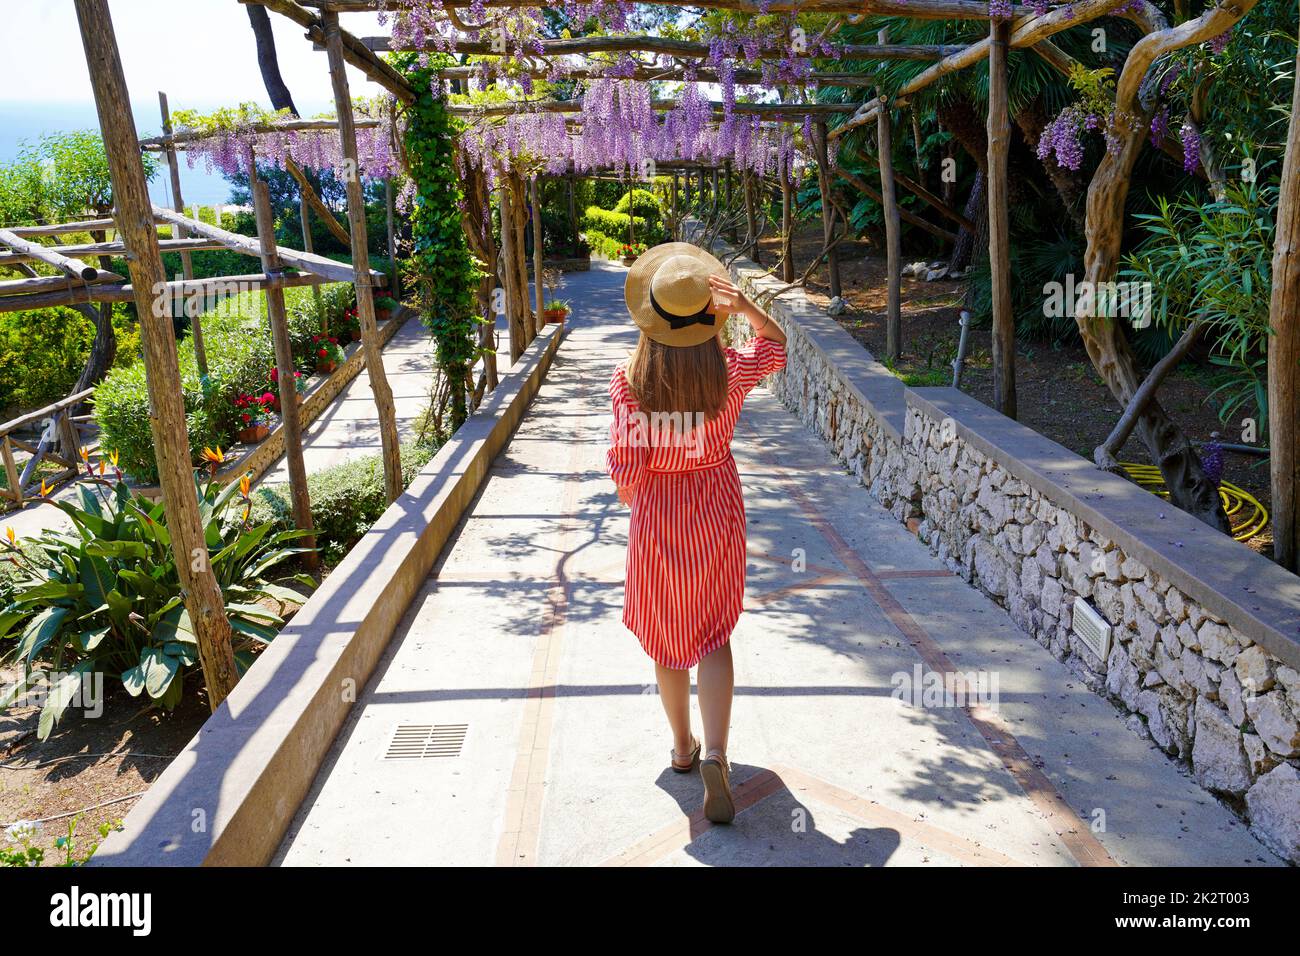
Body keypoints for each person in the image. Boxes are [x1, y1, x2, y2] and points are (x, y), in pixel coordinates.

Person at [607, 241, 787, 824]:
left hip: (661, 512)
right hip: (716, 503)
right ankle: (718, 754)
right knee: (712, 633)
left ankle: (682, 750)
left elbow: (627, 474)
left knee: (666, 633)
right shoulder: (729, 370)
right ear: (708, 312)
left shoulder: (630, 382)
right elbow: (777, 349)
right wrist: (748, 310)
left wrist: (650, 489)